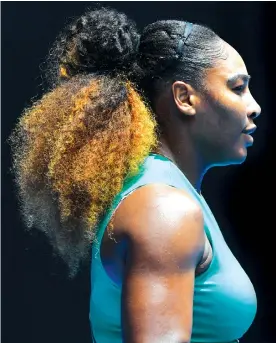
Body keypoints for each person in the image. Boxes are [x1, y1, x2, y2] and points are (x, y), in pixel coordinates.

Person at [8, 6, 261, 343]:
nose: (254, 105)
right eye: (238, 87)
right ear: (185, 98)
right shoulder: (164, 211)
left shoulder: (169, 192)